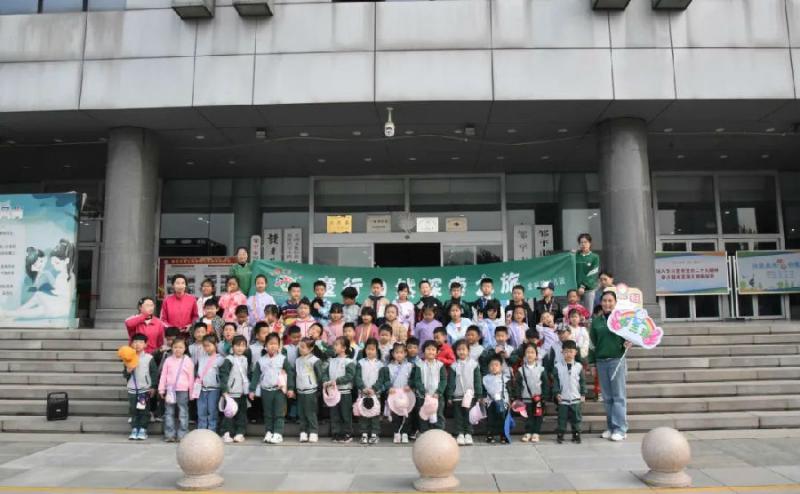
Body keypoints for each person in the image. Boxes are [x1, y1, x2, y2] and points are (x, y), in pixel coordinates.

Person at [589, 291, 631, 442]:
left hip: (616, 361)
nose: (607, 304)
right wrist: (592, 363)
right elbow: (592, 345)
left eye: (610, 301)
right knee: (607, 397)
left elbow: (629, 336)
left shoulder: (622, 320)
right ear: (601, 303)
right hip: (601, 362)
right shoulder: (596, 322)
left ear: (615, 303)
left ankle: (621, 429)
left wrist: (628, 341)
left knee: (618, 396)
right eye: (604, 301)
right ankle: (611, 427)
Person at [250, 332, 295, 444]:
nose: (273, 346)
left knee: (279, 413)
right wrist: (252, 390)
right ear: (265, 345)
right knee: (268, 414)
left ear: (279, 345)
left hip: (279, 390)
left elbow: (290, 373)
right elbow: (255, 376)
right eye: (270, 343)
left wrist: (290, 388)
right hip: (266, 390)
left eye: (275, 344)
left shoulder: (282, 359)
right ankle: (269, 432)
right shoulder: (261, 360)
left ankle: (278, 434)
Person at [157, 337, 194, 442]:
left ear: (185, 348)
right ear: (171, 348)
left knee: (183, 412)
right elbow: (163, 375)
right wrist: (161, 389)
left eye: (180, 347)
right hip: (170, 390)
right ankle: (169, 434)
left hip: (183, 390)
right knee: (169, 412)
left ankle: (182, 433)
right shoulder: (168, 360)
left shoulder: (188, 361)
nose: (178, 349)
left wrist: (191, 392)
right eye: (175, 347)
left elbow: (191, 377)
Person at [447, 339, 482, 446]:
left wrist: (479, 394)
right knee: (458, 416)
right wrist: (449, 396)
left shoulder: (474, 365)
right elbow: (451, 382)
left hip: (470, 396)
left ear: (468, 351)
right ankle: (460, 434)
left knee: (469, 415)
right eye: (459, 350)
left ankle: (468, 434)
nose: (461, 352)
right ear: (455, 351)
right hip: (457, 396)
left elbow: (477, 381)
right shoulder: (453, 366)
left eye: (463, 349)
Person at [124, 334, 157, 441]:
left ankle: (143, 429)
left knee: (143, 409)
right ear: (131, 344)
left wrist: (153, 386)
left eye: (141, 342)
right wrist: (128, 371)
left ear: (145, 345)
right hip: (132, 389)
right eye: (135, 342)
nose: (137, 344)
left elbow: (154, 373)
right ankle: (134, 429)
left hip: (144, 389)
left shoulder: (149, 358)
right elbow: (125, 374)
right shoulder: (128, 358)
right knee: (133, 410)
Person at [379, 342, 414, 443]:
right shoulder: (388, 367)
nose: (399, 355)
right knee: (395, 414)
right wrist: (389, 387)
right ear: (393, 354)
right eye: (397, 352)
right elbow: (386, 380)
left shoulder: (410, 366)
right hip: (394, 394)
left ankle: (405, 433)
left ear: (405, 354)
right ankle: (396, 433)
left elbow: (413, 379)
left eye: (401, 352)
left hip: (406, 394)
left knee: (407, 414)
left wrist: (410, 385)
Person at [553, 340, 586, 444]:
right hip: (563, 398)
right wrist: (557, 393)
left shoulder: (579, 366)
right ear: (562, 352)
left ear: (575, 352)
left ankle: (576, 434)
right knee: (562, 418)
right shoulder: (558, 366)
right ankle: (560, 434)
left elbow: (582, 381)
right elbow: (556, 382)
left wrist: (583, 393)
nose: (568, 354)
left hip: (575, 397)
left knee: (576, 417)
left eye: (571, 351)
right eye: (566, 351)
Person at [514, 343, 548, 443]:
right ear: (524, 355)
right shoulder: (521, 370)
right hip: (526, 398)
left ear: (536, 355)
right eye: (528, 352)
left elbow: (545, 384)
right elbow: (518, 385)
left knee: (538, 416)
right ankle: (528, 432)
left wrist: (544, 396)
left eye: (532, 352)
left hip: (538, 398)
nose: (530, 354)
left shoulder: (541, 369)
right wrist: (518, 396)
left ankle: (536, 433)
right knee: (527, 416)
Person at [324, 336, 356, 443]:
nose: (334, 346)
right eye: (334, 344)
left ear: (344, 348)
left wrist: (337, 381)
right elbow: (325, 374)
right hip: (333, 393)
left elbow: (350, 376)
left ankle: (348, 433)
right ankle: (336, 433)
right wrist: (325, 381)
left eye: (336, 345)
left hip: (344, 392)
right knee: (334, 414)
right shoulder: (331, 361)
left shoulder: (349, 361)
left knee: (346, 414)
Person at [219, 335, 250, 443]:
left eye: (243, 345)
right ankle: (226, 433)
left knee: (242, 415)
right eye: (237, 345)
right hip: (230, 394)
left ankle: (240, 433)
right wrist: (224, 390)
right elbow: (224, 375)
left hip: (242, 393)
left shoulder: (245, 359)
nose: (240, 348)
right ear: (232, 347)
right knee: (229, 415)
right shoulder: (229, 359)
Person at [412, 340, 446, 431]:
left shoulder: (440, 365)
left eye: (433, 349)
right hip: (423, 396)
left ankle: (438, 433)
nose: (431, 352)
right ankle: (425, 433)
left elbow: (443, 380)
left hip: (437, 396)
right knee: (424, 415)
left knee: (438, 414)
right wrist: (423, 391)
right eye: (428, 349)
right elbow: (417, 380)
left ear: (437, 352)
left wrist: (439, 392)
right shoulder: (419, 365)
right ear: (424, 351)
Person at [355, 338, 384, 444]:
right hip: (363, 393)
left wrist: (374, 389)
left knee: (374, 414)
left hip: (375, 394)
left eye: (372, 349)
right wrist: (363, 387)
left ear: (376, 350)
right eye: (368, 349)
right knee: (363, 414)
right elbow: (357, 377)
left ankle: (374, 434)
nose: (370, 351)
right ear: (365, 350)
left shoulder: (380, 364)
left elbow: (381, 379)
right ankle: (364, 434)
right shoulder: (360, 363)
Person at [295, 337, 323, 443]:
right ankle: (303, 432)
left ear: (311, 349)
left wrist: (319, 390)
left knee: (311, 413)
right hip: (300, 391)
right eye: (300, 346)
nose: (300, 349)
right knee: (301, 413)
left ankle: (313, 432)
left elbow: (320, 376)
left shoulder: (315, 361)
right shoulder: (297, 360)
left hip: (311, 391)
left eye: (303, 347)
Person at [195, 334, 224, 432]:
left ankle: (212, 430)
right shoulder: (201, 358)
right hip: (201, 388)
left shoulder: (220, 359)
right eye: (205, 346)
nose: (206, 348)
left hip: (214, 389)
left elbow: (222, 375)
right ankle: (201, 429)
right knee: (201, 410)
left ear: (215, 344)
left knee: (212, 410)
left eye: (209, 345)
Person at [483, 354, 511, 444]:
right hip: (490, 402)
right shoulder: (485, 378)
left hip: (502, 402)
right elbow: (483, 390)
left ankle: (503, 434)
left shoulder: (505, 378)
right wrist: (483, 398)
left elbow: (510, 390)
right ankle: (490, 434)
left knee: (502, 417)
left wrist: (510, 401)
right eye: (491, 365)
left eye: (496, 365)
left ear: (501, 367)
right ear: (488, 367)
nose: (494, 367)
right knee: (491, 418)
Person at [575, 233, 600, 314]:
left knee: (587, 313)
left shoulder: (594, 257)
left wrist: (583, 286)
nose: (583, 244)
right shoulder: (575, 256)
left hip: (589, 289)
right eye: (581, 242)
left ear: (590, 243)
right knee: (575, 312)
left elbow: (592, 273)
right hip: (575, 289)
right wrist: (571, 254)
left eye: (585, 242)